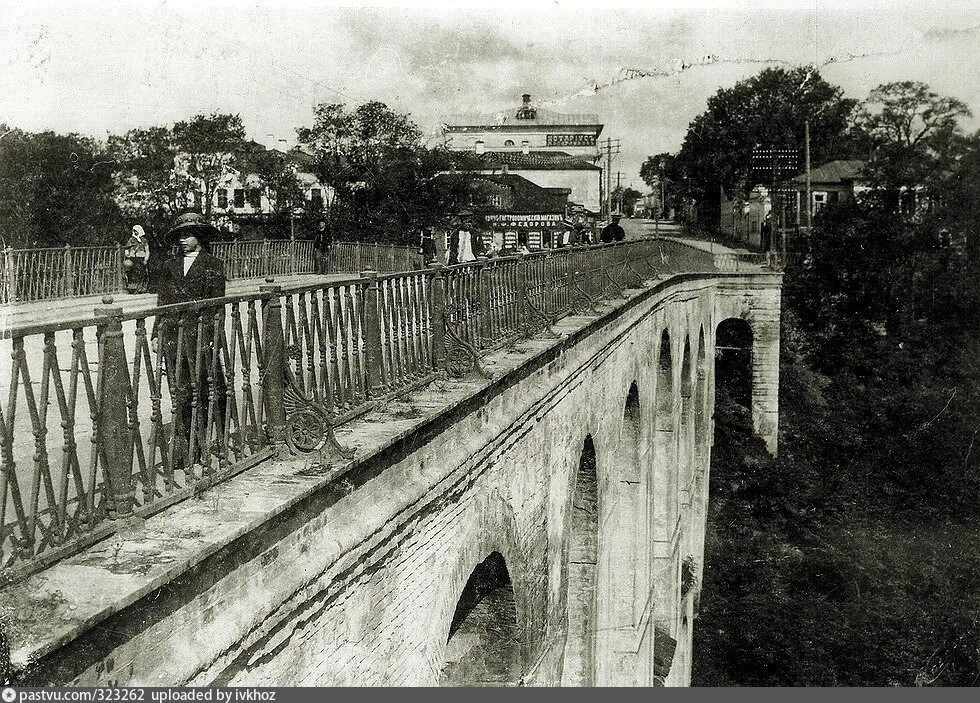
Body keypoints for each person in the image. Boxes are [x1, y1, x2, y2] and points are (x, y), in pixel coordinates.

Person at [151, 212, 227, 469]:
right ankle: (183, 451)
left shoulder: (213, 265)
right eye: (180, 236)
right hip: (173, 337)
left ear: (200, 237)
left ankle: (201, 445)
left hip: (200, 338)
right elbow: (162, 303)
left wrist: (214, 337)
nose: (183, 240)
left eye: (188, 235)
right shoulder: (170, 266)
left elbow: (217, 306)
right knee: (179, 394)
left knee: (203, 393)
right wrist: (155, 333)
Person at [124, 225, 151, 294]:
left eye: (136, 230)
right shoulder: (131, 240)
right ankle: (133, 289)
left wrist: (146, 259)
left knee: (142, 273)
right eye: (134, 231)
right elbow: (127, 248)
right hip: (133, 259)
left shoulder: (144, 240)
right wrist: (127, 255)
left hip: (141, 258)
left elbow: (147, 250)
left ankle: (141, 289)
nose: (135, 232)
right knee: (134, 274)